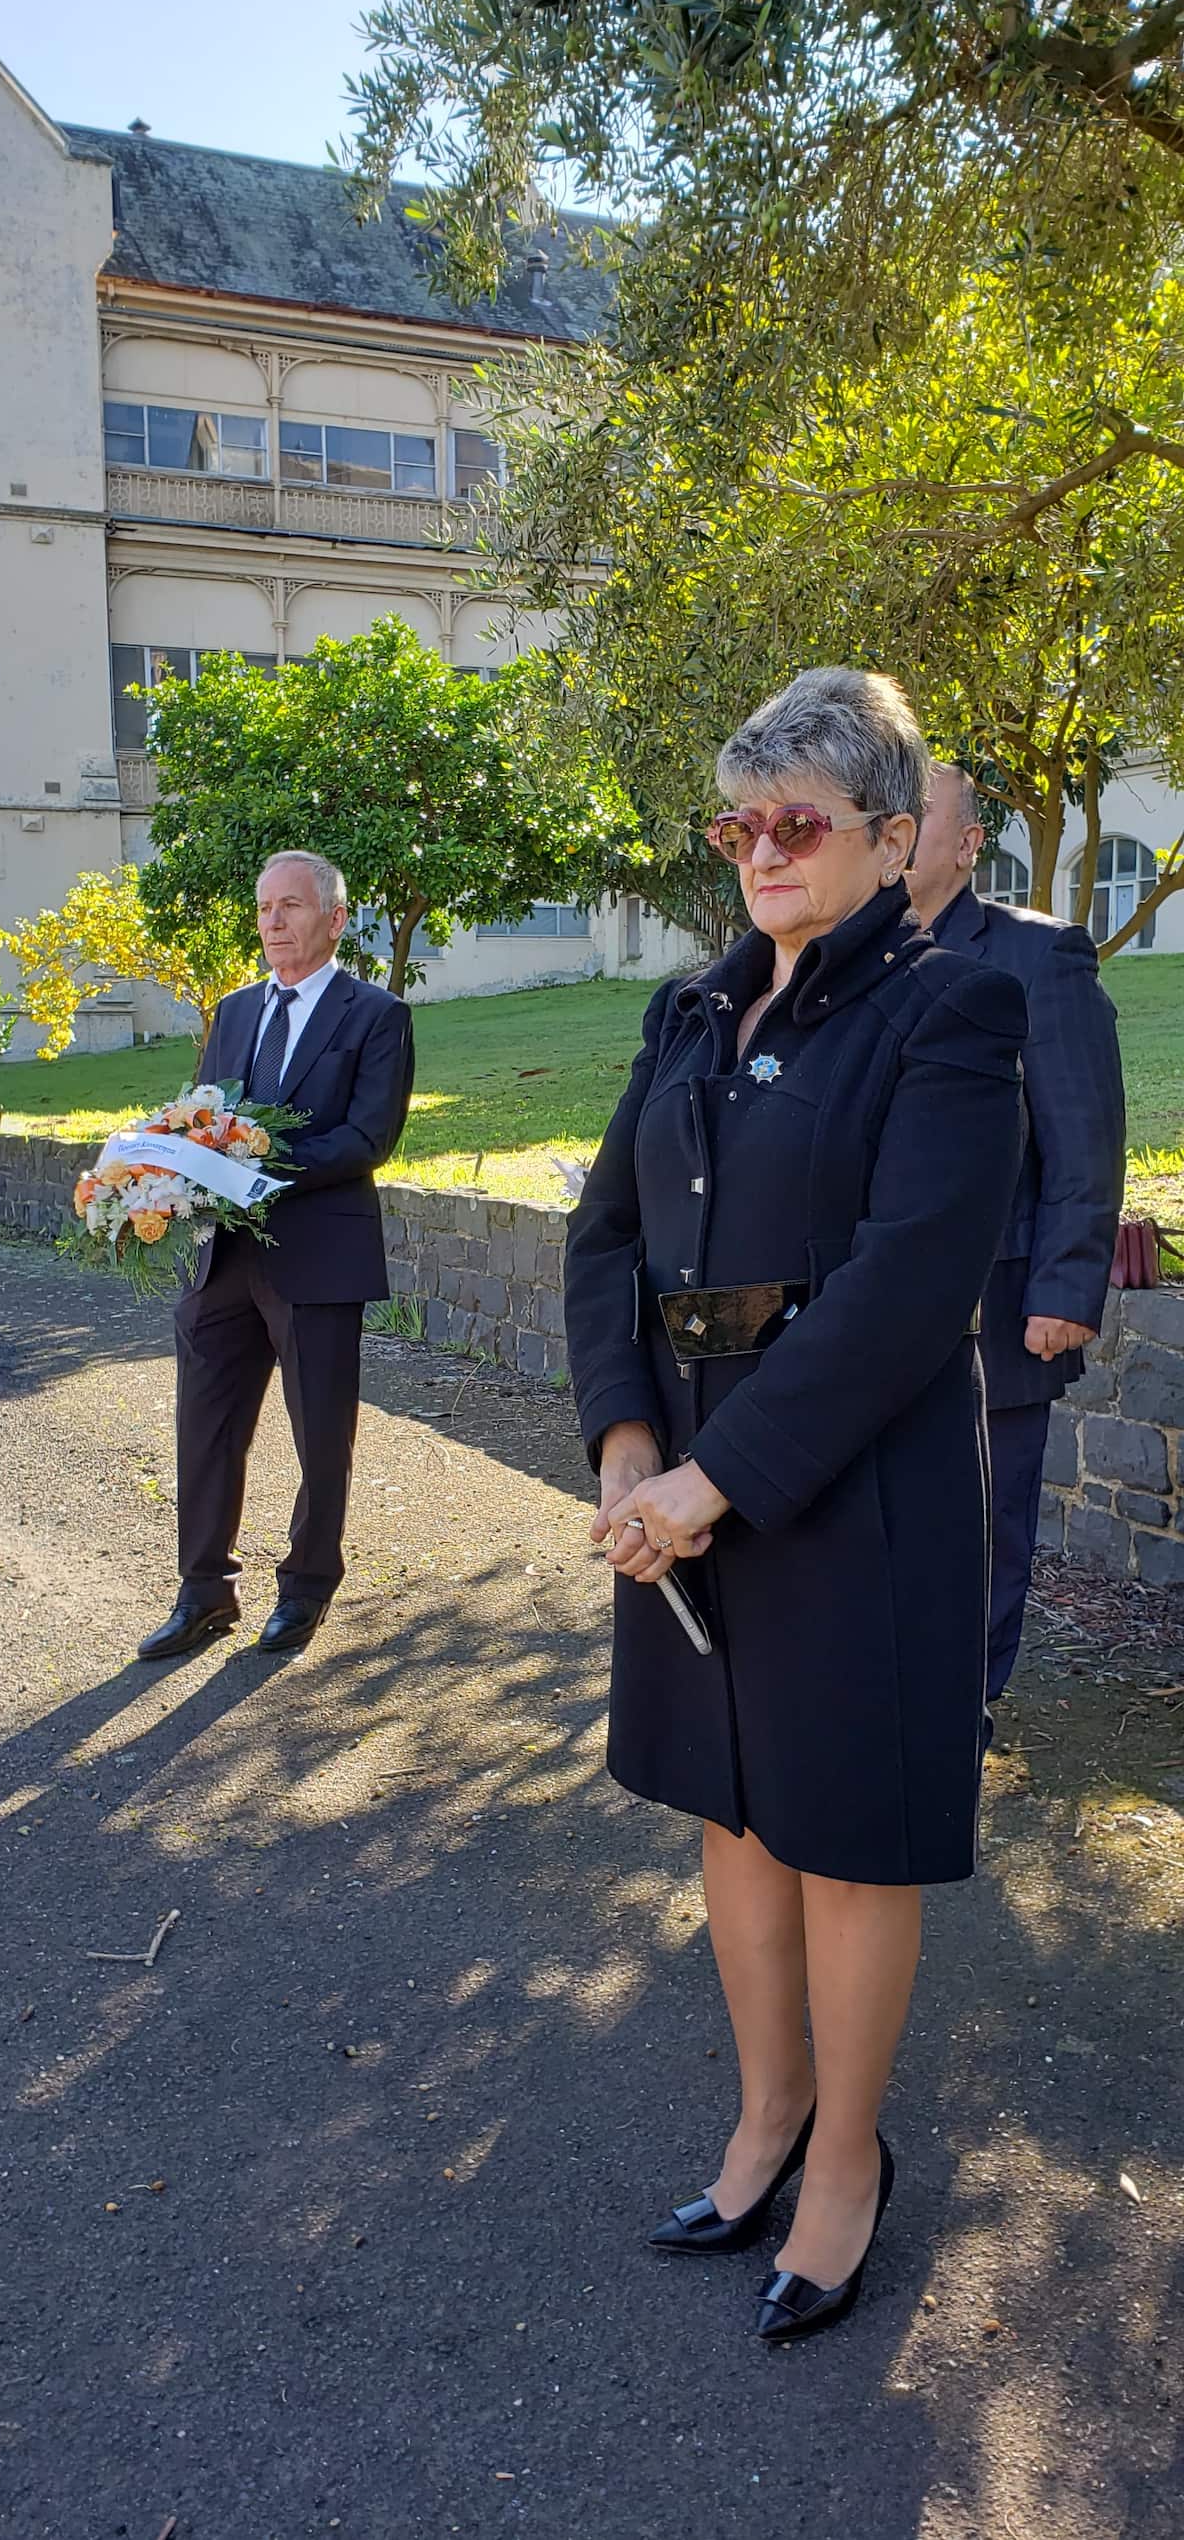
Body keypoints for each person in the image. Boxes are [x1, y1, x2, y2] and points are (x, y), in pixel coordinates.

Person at [564, 668, 1027, 2345]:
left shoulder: (951, 1012)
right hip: (677, 1482)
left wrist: (714, 1477)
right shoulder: (688, 1012)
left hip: (852, 1498)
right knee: (733, 1808)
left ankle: (847, 2157)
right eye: (739, 821)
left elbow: (913, 1285)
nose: (761, 847)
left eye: (800, 820)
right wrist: (624, 1435)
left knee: (840, 1838)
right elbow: (604, 1232)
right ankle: (764, 2118)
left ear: (893, 840)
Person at [139, 851, 414, 1664]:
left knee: (320, 1436)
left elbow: (368, 1139)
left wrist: (253, 1168)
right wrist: (162, 1165)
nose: (272, 922)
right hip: (221, 1261)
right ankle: (203, 1593)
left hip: (318, 1256)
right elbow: (204, 1117)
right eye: (264, 908)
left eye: (290, 907)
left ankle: (305, 1590)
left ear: (333, 919)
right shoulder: (230, 1011)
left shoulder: (376, 1015)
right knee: (205, 1427)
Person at [909, 764, 1125, 1700]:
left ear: (966, 847)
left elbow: (1085, 1136)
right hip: (867, 1310)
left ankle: (963, 1723)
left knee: (983, 1542)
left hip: (999, 1312)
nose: (897, 834)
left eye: (920, 819)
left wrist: (1063, 1294)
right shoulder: (840, 955)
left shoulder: (1038, 958)